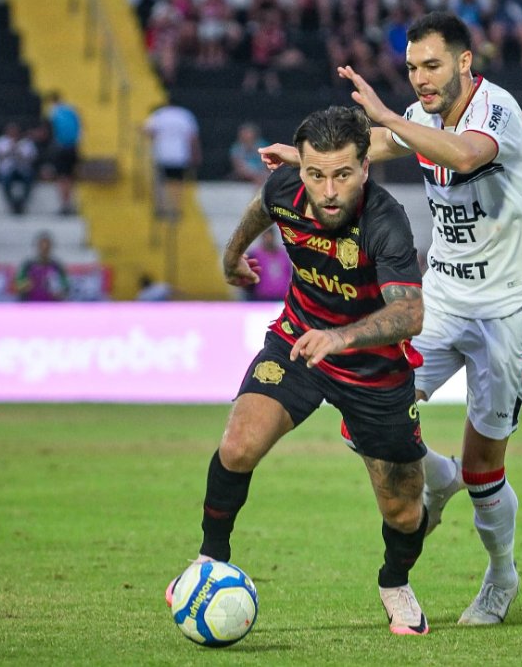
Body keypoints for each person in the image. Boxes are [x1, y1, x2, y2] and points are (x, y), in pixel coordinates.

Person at [262, 11, 522, 626]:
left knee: (485, 469)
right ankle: (436, 475)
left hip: (507, 310)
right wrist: (310, 158)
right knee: (366, 421)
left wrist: (391, 119)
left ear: (465, 63)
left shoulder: (498, 112)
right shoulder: (418, 116)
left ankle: (500, 577)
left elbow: (467, 155)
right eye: (413, 66)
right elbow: (379, 146)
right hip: (442, 300)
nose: (419, 77)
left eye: (432, 65)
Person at [165, 106, 432, 636]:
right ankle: (209, 560)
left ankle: (395, 582)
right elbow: (261, 207)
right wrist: (231, 256)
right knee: (238, 445)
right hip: (298, 344)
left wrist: (340, 338)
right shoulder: (286, 188)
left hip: (374, 370)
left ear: (365, 168)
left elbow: (411, 314)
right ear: (300, 168)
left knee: (404, 510)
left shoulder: (385, 220)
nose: (328, 190)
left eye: (341, 175)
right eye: (315, 174)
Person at [143, 102, 200, 220]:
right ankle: (176, 208)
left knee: (161, 183)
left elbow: (148, 131)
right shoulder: (185, 115)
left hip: (162, 154)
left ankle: (161, 208)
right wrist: (195, 154)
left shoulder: (159, 115)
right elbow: (192, 137)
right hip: (180, 155)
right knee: (178, 183)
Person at [47, 91, 81, 215]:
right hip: (73, 148)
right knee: (71, 177)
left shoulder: (53, 112)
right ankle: (71, 203)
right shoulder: (71, 110)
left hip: (61, 149)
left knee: (62, 178)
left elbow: (51, 131)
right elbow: (81, 129)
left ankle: (64, 204)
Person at [0, 122, 37, 215]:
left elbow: (31, 158)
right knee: (5, 181)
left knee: (29, 179)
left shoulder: (26, 142)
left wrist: (18, 151)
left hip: (21, 169)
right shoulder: (1, 141)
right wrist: (10, 149)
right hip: (7, 170)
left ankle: (22, 203)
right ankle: (12, 204)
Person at [15, 231, 69, 301]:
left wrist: (59, 292)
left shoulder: (57, 266)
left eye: (47, 247)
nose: (44, 250)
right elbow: (18, 285)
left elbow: (65, 287)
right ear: (37, 247)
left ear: (51, 247)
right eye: (41, 246)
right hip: (31, 306)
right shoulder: (28, 265)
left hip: (52, 307)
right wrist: (27, 285)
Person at [243, 227, 290, 301]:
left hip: (281, 297)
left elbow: (288, 273)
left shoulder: (283, 254)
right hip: (261, 298)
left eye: (270, 237)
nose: (268, 240)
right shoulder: (255, 255)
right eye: (266, 237)